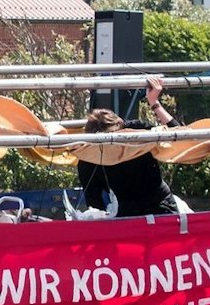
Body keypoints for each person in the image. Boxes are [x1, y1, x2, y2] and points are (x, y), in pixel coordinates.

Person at [78, 78, 181, 218]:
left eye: (116, 139)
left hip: (160, 203)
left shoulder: (135, 130)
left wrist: (154, 103)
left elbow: (179, 135)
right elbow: (94, 203)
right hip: (125, 211)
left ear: (121, 128)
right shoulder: (88, 158)